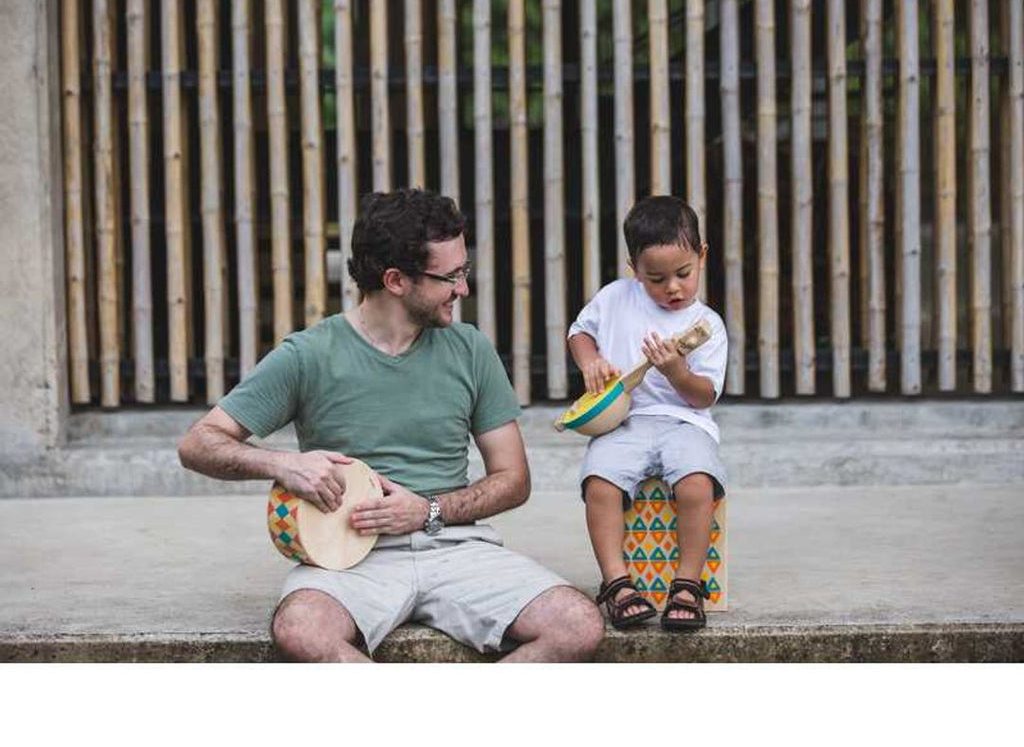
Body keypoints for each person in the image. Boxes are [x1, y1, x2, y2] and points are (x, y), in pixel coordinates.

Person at [179, 188, 604, 662]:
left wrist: (429, 511)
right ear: (397, 280)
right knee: (300, 628)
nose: (463, 289)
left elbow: (514, 479)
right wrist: (283, 464)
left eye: (464, 272)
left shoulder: (471, 349)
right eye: (451, 276)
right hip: (346, 558)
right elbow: (198, 444)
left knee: (578, 623)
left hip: (456, 546)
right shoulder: (309, 354)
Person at [567, 195, 728, 632]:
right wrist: (590, 362)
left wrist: (677, 371)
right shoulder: (616, 299)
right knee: (599, 482)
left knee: (697, 484)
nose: (673, 288)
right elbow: (580, 333)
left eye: (683, 274)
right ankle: (617, 584)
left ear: (702, 256)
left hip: (684, 421)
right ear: (633, 268)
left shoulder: (707, 326)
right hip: (625, 419)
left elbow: (704, 397)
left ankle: (687, 585)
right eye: (656, 278)